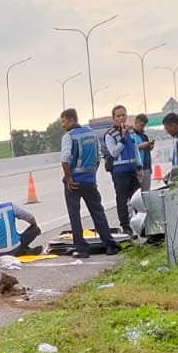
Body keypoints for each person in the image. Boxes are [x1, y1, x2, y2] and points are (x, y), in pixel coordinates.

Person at [57, 107, 120, 258]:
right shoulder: (91, 133)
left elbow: (65, 159)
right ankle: (110, 245)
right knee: (98, 213)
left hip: (74, 182)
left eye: (64, 121)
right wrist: (91, 174)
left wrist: (69, 178)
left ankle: (82, 249)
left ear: (72, 120)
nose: (62, 125)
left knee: (75, 215)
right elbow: (98, 158)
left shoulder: (68, 137)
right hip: (90, 180)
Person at [102, 105, 144, 236]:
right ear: (113, 118)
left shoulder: (131, 131)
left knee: (137, 199)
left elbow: (135, 149)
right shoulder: (110, 134)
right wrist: (122, 138)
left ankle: (141, 224)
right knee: (122, 200)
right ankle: (125, 227)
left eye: (123, 115)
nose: (121, 118)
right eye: (118, 116)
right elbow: (114, 152)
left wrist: (139, 167)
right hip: (119, 172)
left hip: (132, 171)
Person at [0, 186, 41, 255]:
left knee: (14, 237)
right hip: (14, 249)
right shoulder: (9, 207)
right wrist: (34, 225)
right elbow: (30, 218)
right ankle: (23, 250)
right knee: (35, 229)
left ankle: (24, 250)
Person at [132, 113, 154, 191]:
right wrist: (141, 146)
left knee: (146, 192)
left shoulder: (144, 136)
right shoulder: (131, 134)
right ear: (136, 122)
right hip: (137, 168)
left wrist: (150, 146)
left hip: (147, 167)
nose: (143, 127)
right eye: (141, 125)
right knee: (136, 193)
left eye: (144, 125)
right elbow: (130, 149)